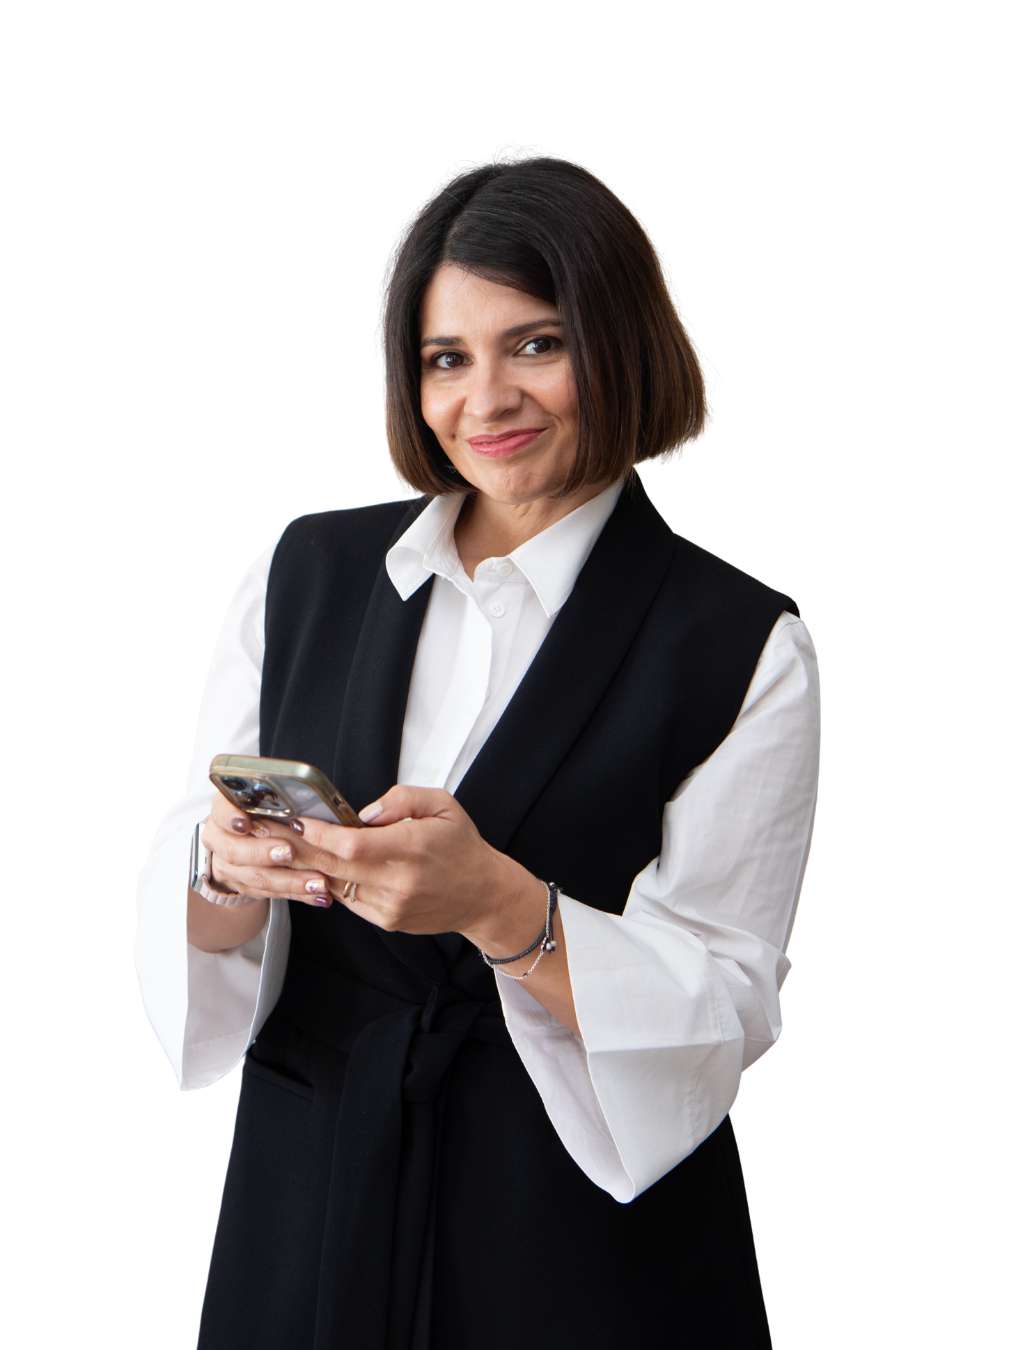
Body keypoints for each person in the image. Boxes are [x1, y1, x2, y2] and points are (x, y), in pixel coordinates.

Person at [133, 142, 821, 1350]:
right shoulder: (301, 573)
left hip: (576, 1233)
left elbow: (727, 996)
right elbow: (207, 927)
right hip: (312, 1190)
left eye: (536, 345)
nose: (485, 400)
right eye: (446, 358)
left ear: (621, 342)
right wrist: (224, 869)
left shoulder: (744, 644)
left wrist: (505, 909)